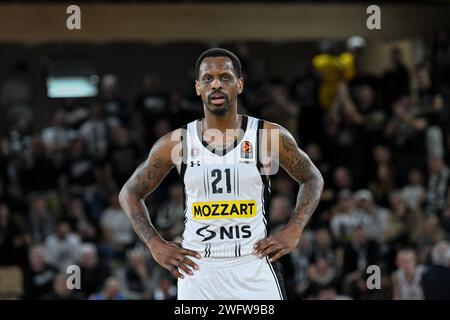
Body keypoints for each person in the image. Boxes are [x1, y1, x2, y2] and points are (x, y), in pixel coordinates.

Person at [119, 48, 324, 300]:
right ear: (197, 87)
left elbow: (312, 177)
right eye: (208, 78)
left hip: (253, 264)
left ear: (239, 84)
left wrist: (296, 227)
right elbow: (129, 192)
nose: (216, 84)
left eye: (225, 77)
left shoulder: (268, 136)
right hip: (198, 270)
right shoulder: (177, 143)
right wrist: (154, 243)